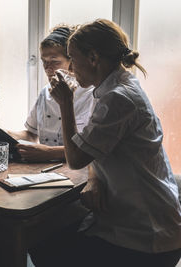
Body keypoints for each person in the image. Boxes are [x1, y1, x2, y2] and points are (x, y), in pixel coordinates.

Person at [31, 19, 181, 267]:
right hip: (141, 219)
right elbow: (100, 147)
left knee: (42, 243)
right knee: (50, 236)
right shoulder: (115, 87)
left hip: (148, 235)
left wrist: (66, 105)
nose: (70, 67)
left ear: (93, 58)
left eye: (72, 58)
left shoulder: (117, 98)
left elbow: (77, 158)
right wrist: (95, 177)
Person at [8, 25, 94, 162]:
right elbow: (31, 134)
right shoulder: (45, 92)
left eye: (54, 62)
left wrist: (49, 152)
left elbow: (90, 149)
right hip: (44, 167)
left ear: (72, 62)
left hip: (75, 167)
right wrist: (7, 134)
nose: (48, 68)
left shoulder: (91, 95)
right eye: (44, 62)